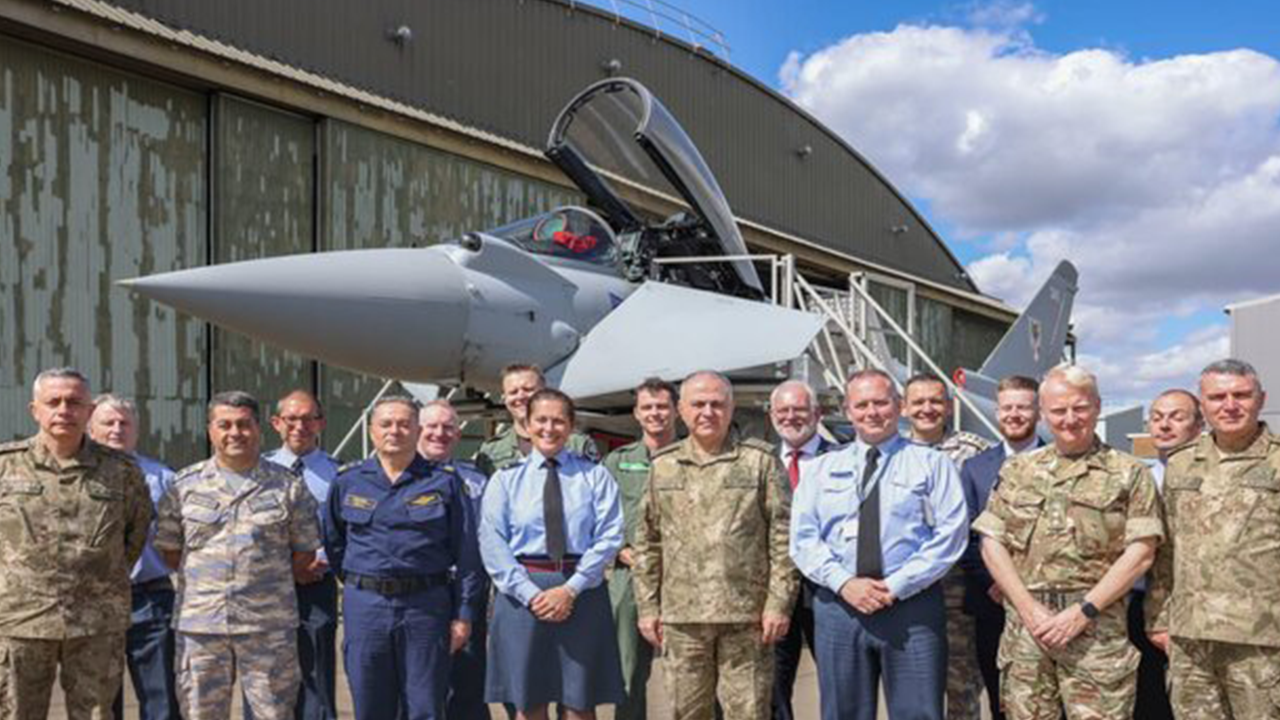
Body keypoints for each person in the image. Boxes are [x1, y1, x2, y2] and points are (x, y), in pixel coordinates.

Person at [974, 364, 1163, 720]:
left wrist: (1083, 611)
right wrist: (1028, 608)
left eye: (1080, 407)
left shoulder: (1130, 473)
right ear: (1044, 414)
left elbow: (1141, 553)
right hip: (1028, 631)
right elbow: (991, 542)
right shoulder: (1018, 471)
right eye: (1059, 410)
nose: (1070, 418)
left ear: (1098, 407)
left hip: (1097, 629)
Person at [791, 368, 967, 720]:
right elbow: (803, 538)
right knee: (843, 713)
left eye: (881, 403)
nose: (872, 412)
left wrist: (897, 586)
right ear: (848, 410)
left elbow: (951, 533)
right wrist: (844, 583)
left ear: (899, 406)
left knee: (918, 713)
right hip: (840, 607)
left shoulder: (932, 464)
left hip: (911, 607)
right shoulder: (822, 469)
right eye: (862, 404)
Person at [634, 370, 797, 720]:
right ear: (681, 409)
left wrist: (778, 603)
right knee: (687, 714)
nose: (708, 412)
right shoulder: (663, 466)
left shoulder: (760, 462)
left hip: (747, 617)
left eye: (717, 404)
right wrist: (647, 608)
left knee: (750, 713)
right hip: (682, 618)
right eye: (698, 404)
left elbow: (783, 538)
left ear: (731, 407)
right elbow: (647, 542)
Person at [154, 391, 322, 720]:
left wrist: (260, 581)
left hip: (267, 626)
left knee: (274, 713)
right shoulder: (183, 486)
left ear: (259, 429)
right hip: (201, 626)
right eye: (225, 424)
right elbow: (170, 551)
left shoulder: (287, 486)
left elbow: (303, 552)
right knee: (201, 713)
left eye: (244, 424)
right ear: (210, 430)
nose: (235, 433)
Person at [0, 368, 151, 718]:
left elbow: (134, 534)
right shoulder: (5, 467)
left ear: (89, 410)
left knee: (96, 714)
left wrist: (97, 580)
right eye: (54, 402)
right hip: (20, 620)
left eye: (74, 402)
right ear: (35, 409)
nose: (64, 410)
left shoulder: (122, 471)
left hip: (95, 621)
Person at [325, 396, 481, 720]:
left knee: (425, 706)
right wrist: (365, 580)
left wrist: (463, 614)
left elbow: (467, 553)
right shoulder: (347, 481)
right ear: (371, 431)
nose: (394, 430)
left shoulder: (445, 482)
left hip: (425, 607)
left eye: (403, 423)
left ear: (416, 430)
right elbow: (334, 542)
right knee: (369, 704)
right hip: (366, 607)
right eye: (386, 423)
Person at [1147, 359, 1280, 720]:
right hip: (1191, 639)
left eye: (1242, 395)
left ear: (1261, 398)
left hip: (1263, 641)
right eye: (1218, 396)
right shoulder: (1181, 464)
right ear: (1203, 406)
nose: (1230, 404)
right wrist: (1158, 619)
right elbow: (1166, 548)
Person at [480, 388, 625, 719]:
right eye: (541, 420)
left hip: (582, 592)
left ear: (571, 425)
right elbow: (493, 544)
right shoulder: (505, 481)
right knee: (528, 703)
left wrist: (570, 589)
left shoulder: (594, 475)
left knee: (580, 702)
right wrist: (532, 594)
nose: (549, 428)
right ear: (527, 425)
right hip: (522, 594)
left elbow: (609, 535)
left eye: (558, 420)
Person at [901, 374, 991, 720]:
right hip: (908, 595)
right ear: (904, 407)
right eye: (919, 402)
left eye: (936, 401)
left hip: (959, 595)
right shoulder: (893, 452)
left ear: (949, 406)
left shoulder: (974, 451)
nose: (927, 409)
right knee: (912, 695)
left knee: (961, 689)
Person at [90, 394, 183, 720]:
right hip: (93, 603)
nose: (117, 429)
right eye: (108, 422)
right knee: (97, 702)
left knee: (161, 698)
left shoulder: (163, 479)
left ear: (136, 431)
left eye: (124, 423)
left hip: (150, 598)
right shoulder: (76, 477)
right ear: (90, 427)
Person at [957, 375, 1043, 720]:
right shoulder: (976, 468)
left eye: (1023, 406)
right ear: (997, 412)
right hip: (991, 602)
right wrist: (995, 584)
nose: (1015, 414)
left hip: (1047, 602)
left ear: (1038, 411)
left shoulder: (1059, 460)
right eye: (1007, 407)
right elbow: (965, 536)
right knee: (1001, 700)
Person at [603, 378, 680, 720]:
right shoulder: (617, 462)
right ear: (636, 413)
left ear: (676, 410)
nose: (655, 414)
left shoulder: (695, 456)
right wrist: (621, 549)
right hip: (630, 577)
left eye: (662, 406)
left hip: (685, 579)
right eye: (647, 407)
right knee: (627, 672)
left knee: (692, 672)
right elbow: (601, 516)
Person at [264, 390, 341, 720]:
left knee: (317, 676)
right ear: (276, 423)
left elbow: (344, 531)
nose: (300, 426)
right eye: (291, 419)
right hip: (267, 589)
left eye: (308, 418)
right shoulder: (258, 470)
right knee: (268, 679)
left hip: (315, 585)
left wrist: (315, 560)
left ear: (321, 423)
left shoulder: (339, 475)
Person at [417, 399, 492, 720]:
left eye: (448, 427)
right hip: (417, 593)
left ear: (459, 435)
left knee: (467, 686)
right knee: (418, 685)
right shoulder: (398, 477)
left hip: (465, 590)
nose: (439, 433)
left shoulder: (476, 481)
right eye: (431, 426)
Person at [1127, 390, 1200, 720]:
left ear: (1199, 425)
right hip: (1140, 604)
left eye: (1176, 417)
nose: (1164, 425)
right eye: (1157, 418)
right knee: (1148, 701)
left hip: (1198, 609)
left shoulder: (1211, 479)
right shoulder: (1136, 478)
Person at [767, 379, 835, 720]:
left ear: (817, 414)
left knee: (838, 682)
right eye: (783, 410)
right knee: (773, 688)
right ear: (771, 416)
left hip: (827, 590)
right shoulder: (759, 462)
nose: (791, 417)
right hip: (773, 593)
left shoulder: (842, 458)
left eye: (799, 409)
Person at [475, 364, 599, 477]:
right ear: (505, 399)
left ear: (544, 392)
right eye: (513, 392)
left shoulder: (576, 444)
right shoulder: (491, 451)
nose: (521, 396)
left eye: (528, 389)